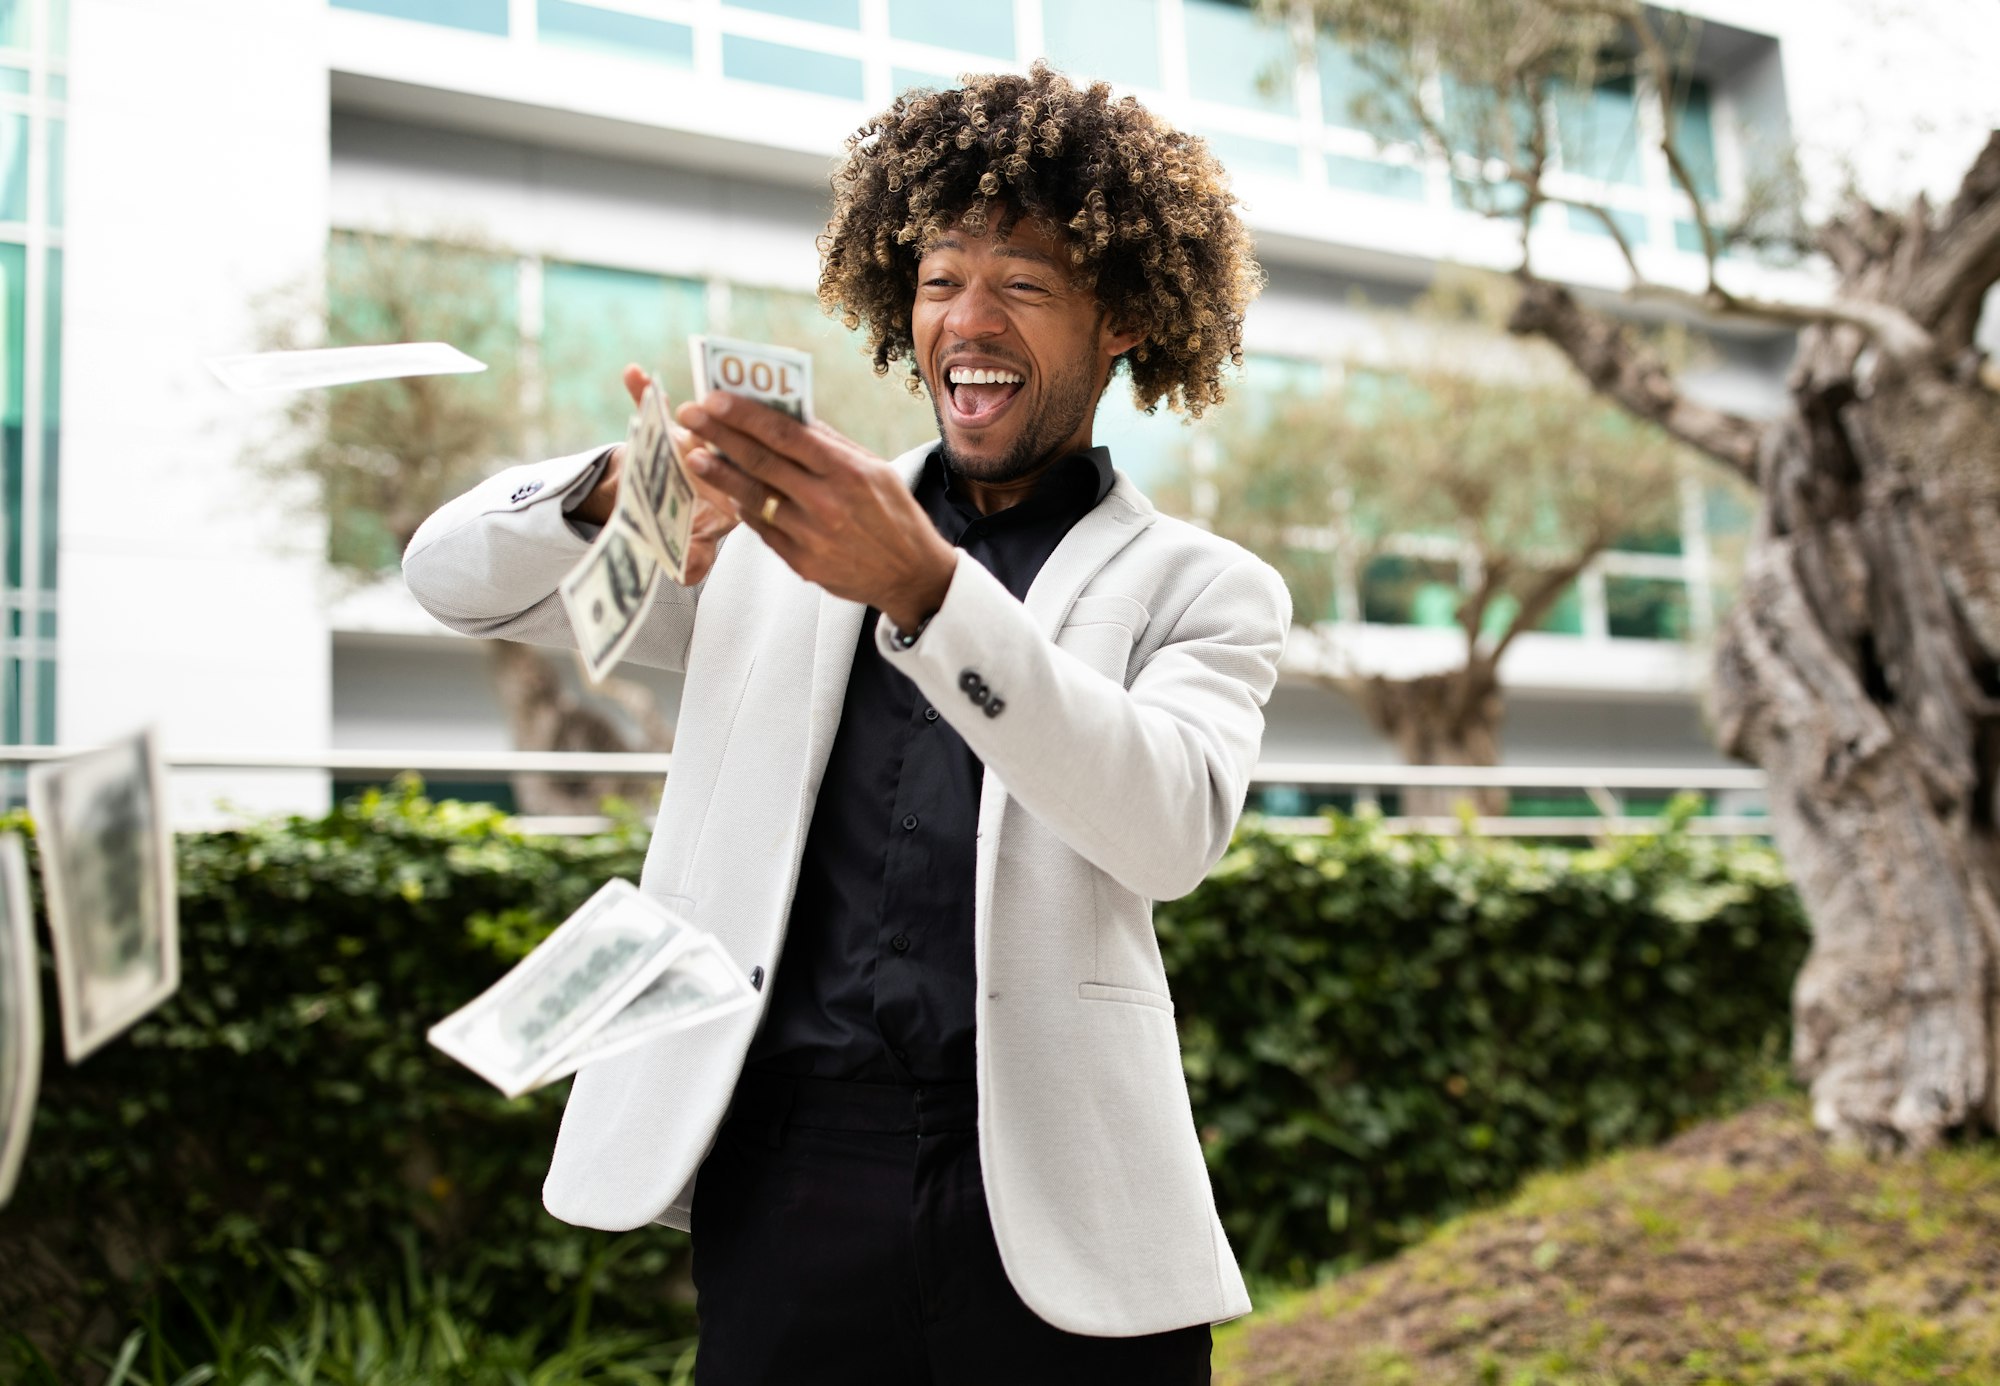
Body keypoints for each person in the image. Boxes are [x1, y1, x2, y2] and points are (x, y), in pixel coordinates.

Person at [404, 64, 1288, 1385]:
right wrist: (607, 492)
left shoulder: (1205, 586)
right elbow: (451, 580)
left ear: (1121, 317)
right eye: (940, 280)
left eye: (1024, 284)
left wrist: (928, 592)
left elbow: (1166, 829)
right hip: (791, 1173)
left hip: (1056, 1194)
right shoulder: (760, 547)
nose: (968, 320)